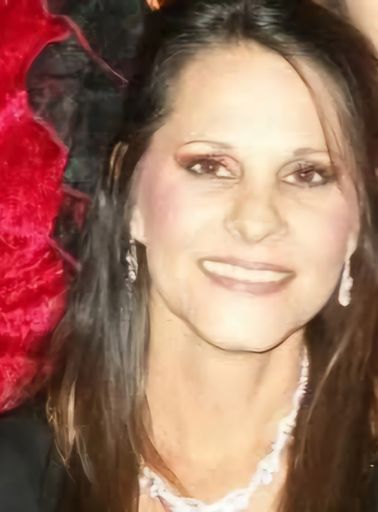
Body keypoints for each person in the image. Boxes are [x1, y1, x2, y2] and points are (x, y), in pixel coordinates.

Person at [47, 1, 378, 511]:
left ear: (356, 221)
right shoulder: (4, 483)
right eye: (210, 166)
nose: (257, 220)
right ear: (129, 191)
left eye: (308, 174)